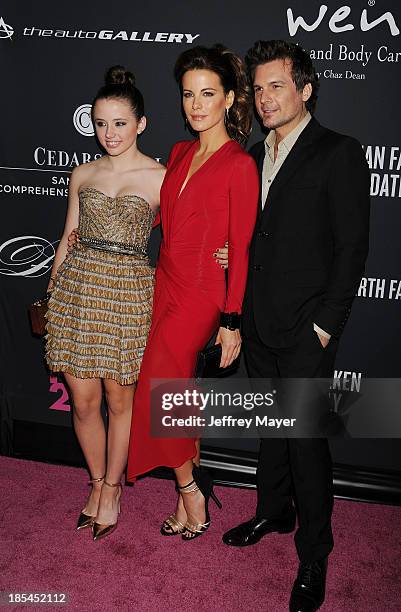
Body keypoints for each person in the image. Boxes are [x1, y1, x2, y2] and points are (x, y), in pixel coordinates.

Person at [222, 40, 370, 612]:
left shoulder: (338, 152)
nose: (264, 98)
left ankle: (315, 552)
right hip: (258, 320)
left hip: (308, 328)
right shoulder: (253, 154)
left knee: (307, 442)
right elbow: (256, 235)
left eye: (276, 86)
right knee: (272, 429)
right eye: (257, 88)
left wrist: (327, 326)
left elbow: (352, 247)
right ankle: (272, 512)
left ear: (305, 89)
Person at [127, 45, 259, 540]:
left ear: (228, 98)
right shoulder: (180, 154)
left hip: (203, 293)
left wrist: (231, 321)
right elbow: (157, 215)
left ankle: (190, 491)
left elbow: (240, 250)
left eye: (208, 94)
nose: (196, 104)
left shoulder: (239, 165)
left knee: (162, 384)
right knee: (177, 388)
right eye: (188, 95)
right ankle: (191, 484)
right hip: (163, 282)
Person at [45, 65, 165, 540]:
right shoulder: (82, 173)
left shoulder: (162, 177)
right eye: (100, 123)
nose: (109, 133)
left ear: (141, 123)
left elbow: (184, 241)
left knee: (120, 400)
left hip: (128, 293)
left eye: (119, 123)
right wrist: (54, 289)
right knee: (83, 401)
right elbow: (66, 238)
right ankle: (95, 483)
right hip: (78, 292)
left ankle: (113, 489)